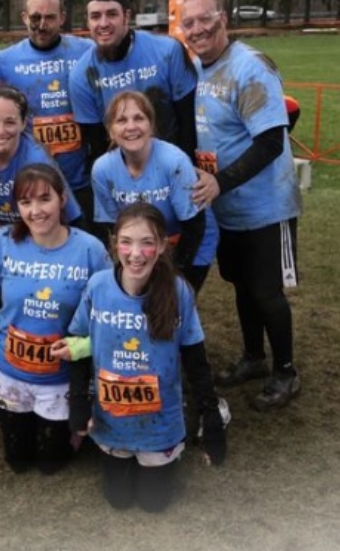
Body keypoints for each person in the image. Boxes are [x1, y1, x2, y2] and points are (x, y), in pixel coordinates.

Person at [52, 203, 227, 512]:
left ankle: (167, 455)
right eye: (126, 242)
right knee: (118, 501)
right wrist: (78, 403)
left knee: (153, 504)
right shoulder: (97, 287)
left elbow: (195, 358)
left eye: (146, 243)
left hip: (160, 425)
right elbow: (77, 344)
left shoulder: (179, 292)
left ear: (161, 246)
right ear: (114, 243)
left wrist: (210, 416)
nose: (135, 254)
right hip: (112, 424)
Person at [182, 0, 303, 410]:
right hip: (227, 209)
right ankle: (254, 357)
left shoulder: (250, 66)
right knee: (242, 285)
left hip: (267, 207)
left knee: (267, 292)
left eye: (204, 19)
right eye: (188, 23)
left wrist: (220, 182)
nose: (197, 29)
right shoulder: (197, 69)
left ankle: (286, 372)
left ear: (224, 19)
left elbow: (271, 142)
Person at [0, 164, 110, 473]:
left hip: (61, 379)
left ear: (62, 199)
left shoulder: (90, 250)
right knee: (18, 461)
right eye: (26, 202)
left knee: (52, 463)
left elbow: (112, 318)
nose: (36, 211)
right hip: (10, 372)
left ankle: (76, 429)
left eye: (44, 199)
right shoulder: (3, 240)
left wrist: (81, 348)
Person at [0, 86, 84, 420]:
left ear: (24, 123)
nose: (0, 130)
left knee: (36, 309)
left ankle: (67, 378)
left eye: (10, 122)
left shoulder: (35, 159)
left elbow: (69, 217)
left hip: (39, 238)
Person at [0, 0, 95, 220]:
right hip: (31, 183)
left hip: (81, 180)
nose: (42, 25)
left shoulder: (87, 51)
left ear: (62, 18)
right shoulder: (2, 61)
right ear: (24, 17)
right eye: (35, 17)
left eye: (50, 17)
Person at [91, 91, 216, 292]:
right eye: (121, 120)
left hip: (189, 241)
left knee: (171, 301)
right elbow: (112, 225)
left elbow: (194, 227)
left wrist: (169, 273)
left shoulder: (174, 161)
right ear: (110, 131)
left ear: (151, 125)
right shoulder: (102, 169)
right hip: (142, 246)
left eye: (139, 118)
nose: (131, 126)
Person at [69, 0, 198, 162]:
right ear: (87, 22)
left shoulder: (168, 50)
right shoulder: (81, 75)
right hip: (123, 167)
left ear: (126, 16)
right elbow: (96, 146)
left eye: (112, 14)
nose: (103, 23)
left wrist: (185, 168)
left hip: (173, 160)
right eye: (95, 16)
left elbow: (188, 122)